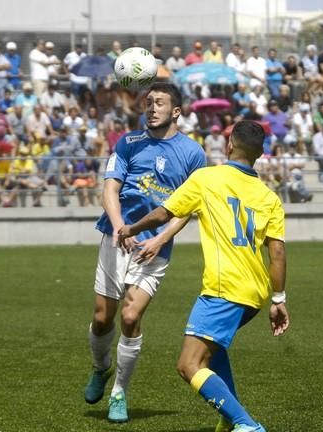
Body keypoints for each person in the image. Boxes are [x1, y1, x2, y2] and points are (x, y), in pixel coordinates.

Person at [117, 120, 288, 432]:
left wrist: (131, 228)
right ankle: (229, 416)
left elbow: (163, 213)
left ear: (229, 146)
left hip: (224, 290)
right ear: (261, 154)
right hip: (255, 294)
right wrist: (279, 299)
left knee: (189, 365)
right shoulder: (269, 197)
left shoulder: (207, 179)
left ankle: (246, 425)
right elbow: (276, 253)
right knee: (213, 350)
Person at [83, 83, 206, 423]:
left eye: (160, 103)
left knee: (131, 317)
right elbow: (110, 189)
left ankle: (119, 391)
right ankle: (101, 367)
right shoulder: (127, 143)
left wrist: (161, 238)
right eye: (148, 102)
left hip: (154, 247)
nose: (152, 108)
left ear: (176, 111)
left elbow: (188, 207)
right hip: (115, 237)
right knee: (101, 318)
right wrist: (120, 225)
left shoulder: (193, 153)